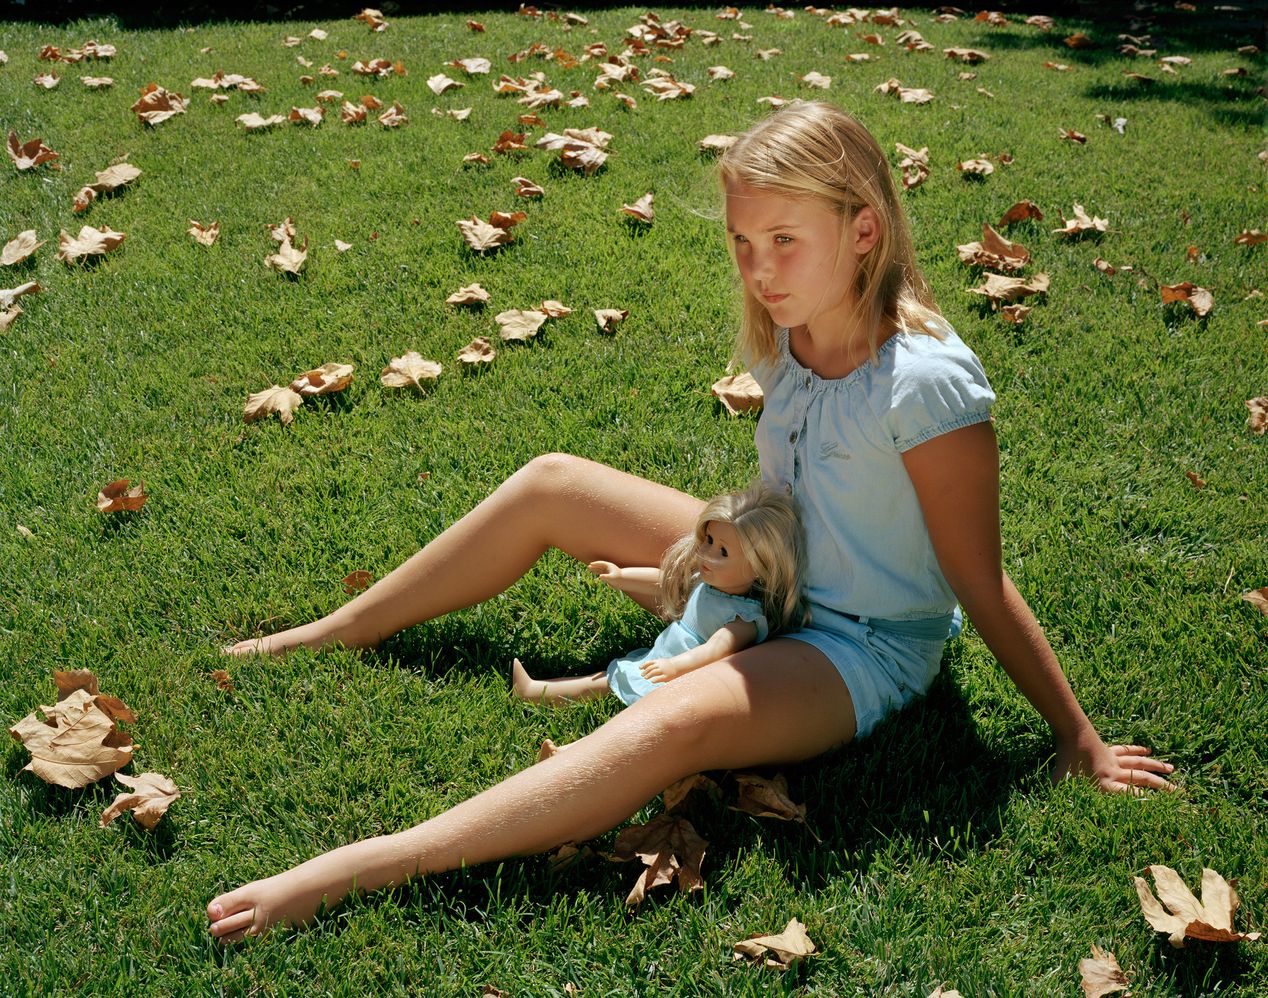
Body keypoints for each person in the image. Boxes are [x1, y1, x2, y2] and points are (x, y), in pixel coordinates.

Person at [208, 100, 1175, 943]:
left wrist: (1078, 741)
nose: (759, 269)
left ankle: (370, 863)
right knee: (553, 481)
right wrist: (703, 565)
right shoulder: (793, 333)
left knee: (674, 720)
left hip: (860, 642)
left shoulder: (924, 387)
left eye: (784, 240)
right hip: (773, 566)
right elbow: (795, 501)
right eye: (743, 243)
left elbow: (979, 583)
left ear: (866, 232)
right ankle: (332, 632)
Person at [512, 481, 809, 707]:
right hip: (662, 660)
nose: (706, 553)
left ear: (760, 568)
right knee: (607, 680)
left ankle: (550, 715)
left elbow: (715, 650)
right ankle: (537, 692)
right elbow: (664, 583)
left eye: (723, 551)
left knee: (616, 691)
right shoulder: (709, 584)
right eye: (708, 540)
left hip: (681, 675)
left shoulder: (744, 619)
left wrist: (674, 667)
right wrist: (621, 576)